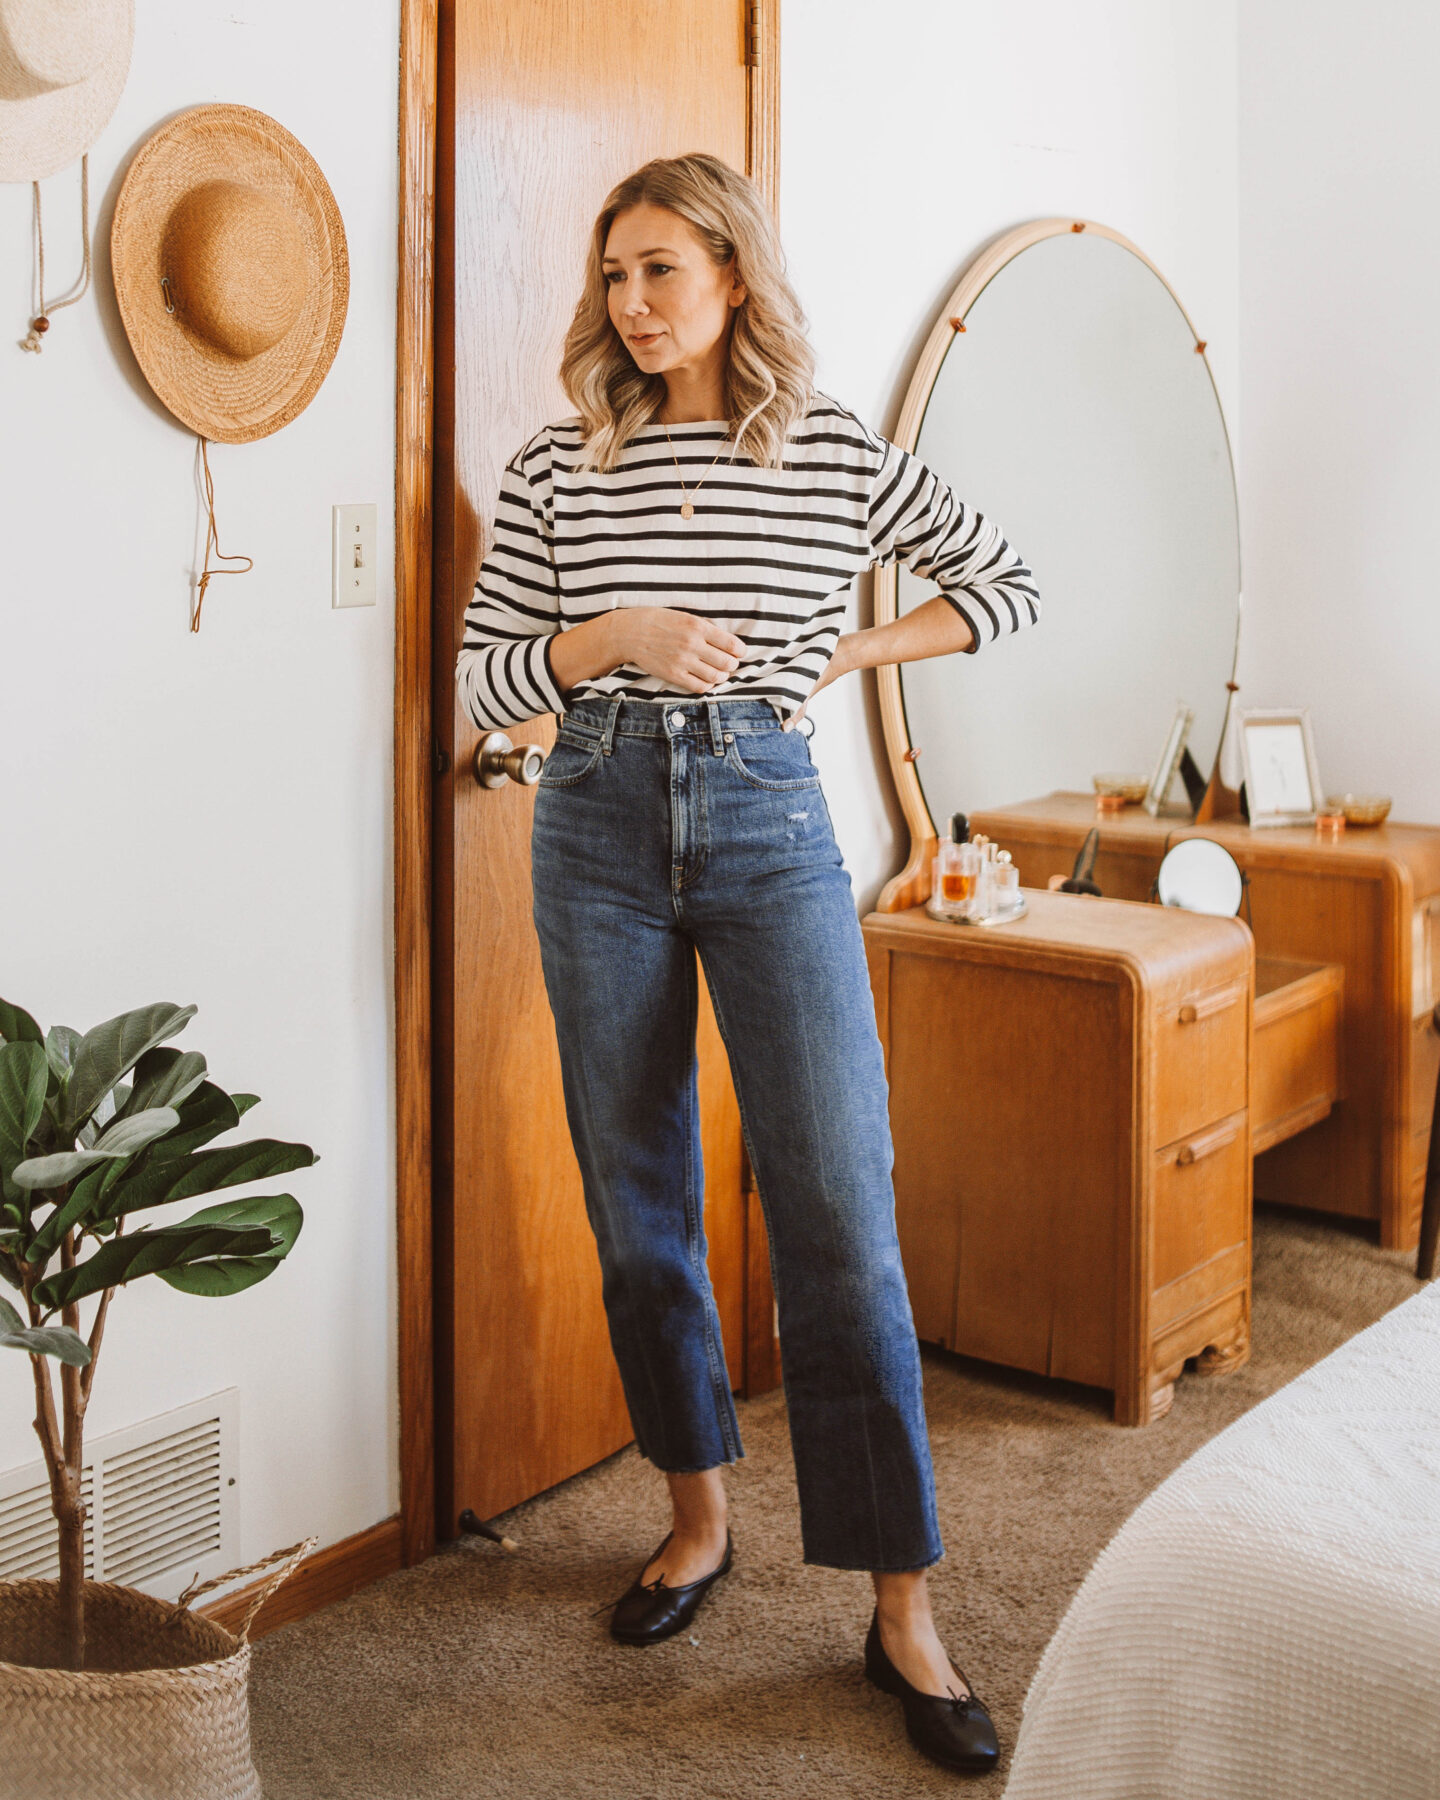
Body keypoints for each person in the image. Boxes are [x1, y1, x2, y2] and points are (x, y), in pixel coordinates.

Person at [456, 152, 1040, 1776]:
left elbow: (1006, 584)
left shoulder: (836, 449)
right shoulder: (561, 465)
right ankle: (696, 1519)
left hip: (773, 822)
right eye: (614, 277)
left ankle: (901, 1611)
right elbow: (476, 678)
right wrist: (611, 639)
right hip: (593, 818)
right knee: (637, 1202)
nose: (630, 306)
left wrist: (845, 647)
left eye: (659, 271)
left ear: (732, 272)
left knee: (841, 1211)